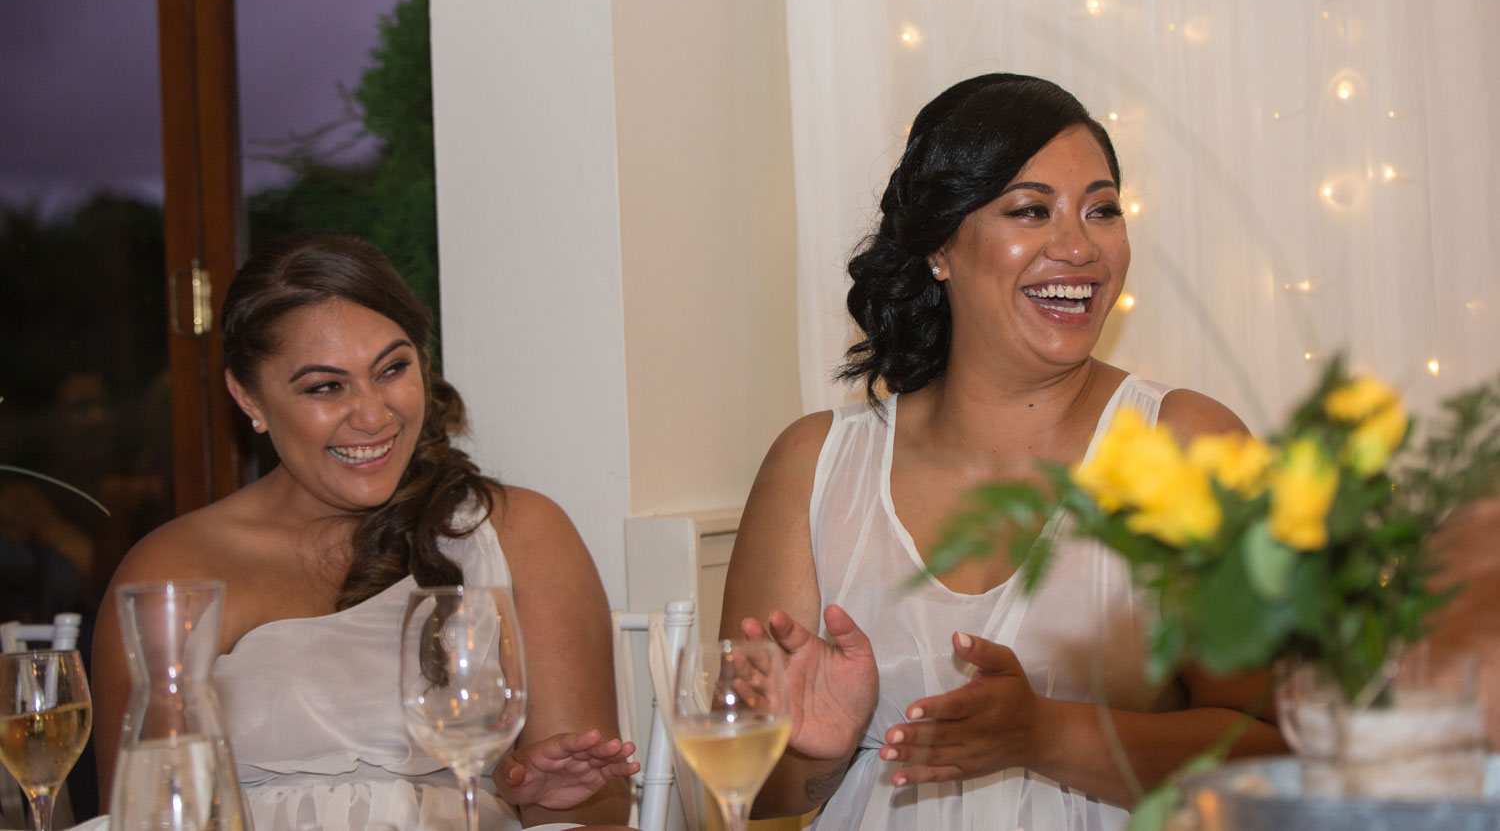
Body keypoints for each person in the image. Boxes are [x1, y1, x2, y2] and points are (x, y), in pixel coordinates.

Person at [720, 74, 1286, 830]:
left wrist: (1047, 735)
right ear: (940, 248)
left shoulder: (1187, 445)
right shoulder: (813, 467)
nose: (1079, 246)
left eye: (1103, 209)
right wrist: (824, 749)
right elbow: (740, 793)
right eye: (1031, 209)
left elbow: (1282, 755)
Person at [92, 232, 637, 831]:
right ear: (247, 396)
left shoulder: (519, 533)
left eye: (392, 369)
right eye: (326, 387)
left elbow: (599, 810)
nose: (373, 415)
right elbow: (138, 816)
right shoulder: (172, 571)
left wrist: (529, 787)